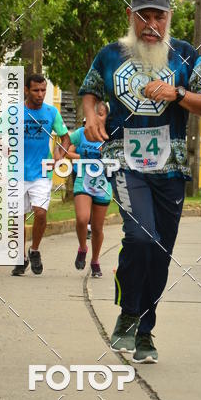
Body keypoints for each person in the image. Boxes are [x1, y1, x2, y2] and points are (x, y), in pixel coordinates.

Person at [79, 0, 201, 363]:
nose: (151, 23)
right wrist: (91, 114)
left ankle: (145, 331)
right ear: (131, 17)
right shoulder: (110, 55)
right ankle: (127, 316)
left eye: (158, 16)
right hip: (124, 161)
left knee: (161, 251)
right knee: (141, 236)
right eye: (143, 15)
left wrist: (177, 94)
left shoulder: (186, 57)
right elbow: (90, 91)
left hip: (170, 167)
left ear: (168, 19)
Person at [12, 73, 70, 277]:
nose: (40, 94)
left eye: (43, 90)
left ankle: (34, 250)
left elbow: (65, 138)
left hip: (41, 172)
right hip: (16, 173)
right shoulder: (14, 112)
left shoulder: (51, 112)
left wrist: (59, 154)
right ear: (26, 90)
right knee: (17, 218)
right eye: (36, 90)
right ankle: (21, 257)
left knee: (41, 214)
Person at [63, 103, 111, 275]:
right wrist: (58, 154)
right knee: (82, 219)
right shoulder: (80, 133)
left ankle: (95, 260)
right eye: (94, 113)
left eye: (101, 114)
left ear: (106, 117)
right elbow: (65, 145)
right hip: (83, 179)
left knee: (97, 228)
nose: (97, 116)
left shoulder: (111, 135)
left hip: (103, 183)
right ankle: (83, 248)